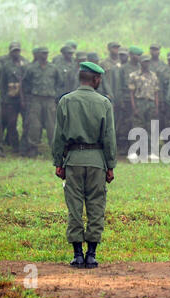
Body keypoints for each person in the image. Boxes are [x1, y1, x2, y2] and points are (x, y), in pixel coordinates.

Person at [52, 61, 116, 269]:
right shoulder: (104, 103)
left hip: (73, 161)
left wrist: (58, 162)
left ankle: (77, 255)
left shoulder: (66, 101)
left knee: (74, 207)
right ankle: (92, 254)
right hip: (97, 161)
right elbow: (109, 137)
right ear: (95, 79)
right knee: (96, 205)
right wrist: (110, 165)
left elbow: (59, 136)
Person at [22, 47, 62, 157]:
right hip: (36, 100)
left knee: (51, 125)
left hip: (49, 100)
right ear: (38, 54)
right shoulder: (31, 68)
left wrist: (55, 94)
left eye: (46, 53)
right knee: (34, 125)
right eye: (43, 53)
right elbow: (25, 83)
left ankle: (55, 149)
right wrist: (29, 95)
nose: (45, 55)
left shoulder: (53, 68)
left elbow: (60, 82)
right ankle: (32, 148)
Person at [128, 55, 160, 160]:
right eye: (144, 62)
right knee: (137, 127)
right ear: (140, 63)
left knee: (151, 127)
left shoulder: (154, 76)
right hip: (139, 102)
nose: (146, 64)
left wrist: (156, 107)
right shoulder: (134, 75)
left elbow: (156, 93)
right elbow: (131, 93)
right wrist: (134, 107)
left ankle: (151, 152)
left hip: (150, 103)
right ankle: (134, 151)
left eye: (148, 62)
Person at [0, 42, 27, 152]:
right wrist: (3, 99)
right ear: (10, 52)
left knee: (27, 123)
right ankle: (15, 146)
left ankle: (24, 146)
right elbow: (2, 84)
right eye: (14, 51)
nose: (16, 53)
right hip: (11, 99)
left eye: (18, 51)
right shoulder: (6, 66)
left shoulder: (25, 63)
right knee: (11, 123)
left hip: (24, 98)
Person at [116, 46, 142, 156]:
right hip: (126, 100)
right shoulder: (123, 68)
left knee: (138, 124)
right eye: (137, 55)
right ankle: (123, 147)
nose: (138, 57)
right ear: (131, 55)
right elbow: (119, 86)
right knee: (125, 124)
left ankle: (137, 147)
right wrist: (120, 100)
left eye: (139, 55)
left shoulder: (142, 67)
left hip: (138, 100)